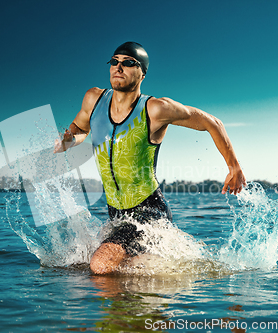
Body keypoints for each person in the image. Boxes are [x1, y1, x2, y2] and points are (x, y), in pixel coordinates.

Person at [54, 41, 246, 274]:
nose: (118, 67)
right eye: (114, 61)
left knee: (100, 265)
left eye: (128, 63)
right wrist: (69, 141)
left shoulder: (154, 109)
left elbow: (212, 122)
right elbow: (80, 127)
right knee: (88, 265)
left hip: (148, 209)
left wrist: (233, 167)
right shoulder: (94, 99)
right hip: (116, 212)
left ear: (142, 73)